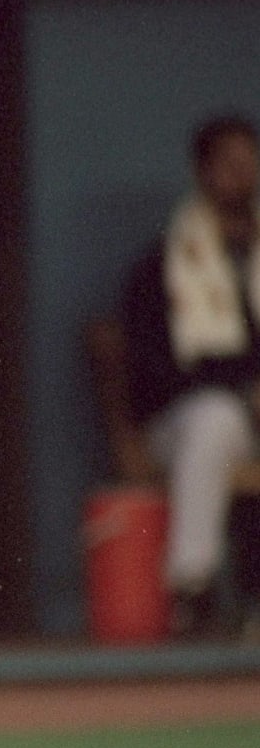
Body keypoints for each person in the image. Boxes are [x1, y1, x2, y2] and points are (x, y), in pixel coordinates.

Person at [91, 114, 260, 636]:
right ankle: (194, 586)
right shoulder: (162, 264)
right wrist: (243, 391)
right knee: (216, 418)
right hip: (181, 426)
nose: (242, 172)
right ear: (202, 170)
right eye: (228, 162)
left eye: (249, 160)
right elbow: (153, 373)